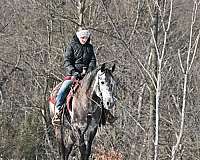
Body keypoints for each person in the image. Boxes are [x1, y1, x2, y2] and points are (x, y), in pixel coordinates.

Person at [52, 28, 116, 125]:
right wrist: (73, 71)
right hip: (73, 75)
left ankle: (106, 113)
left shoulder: (89, 48)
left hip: (87, 75)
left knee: (99, 89)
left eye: (86, 37)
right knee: (63, 89)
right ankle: (58, 112)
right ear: (78, 37)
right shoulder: (71, 46)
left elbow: (93, 60)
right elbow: (67, 61)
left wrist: (89, 70)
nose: (84, 39)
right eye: (82, 37)